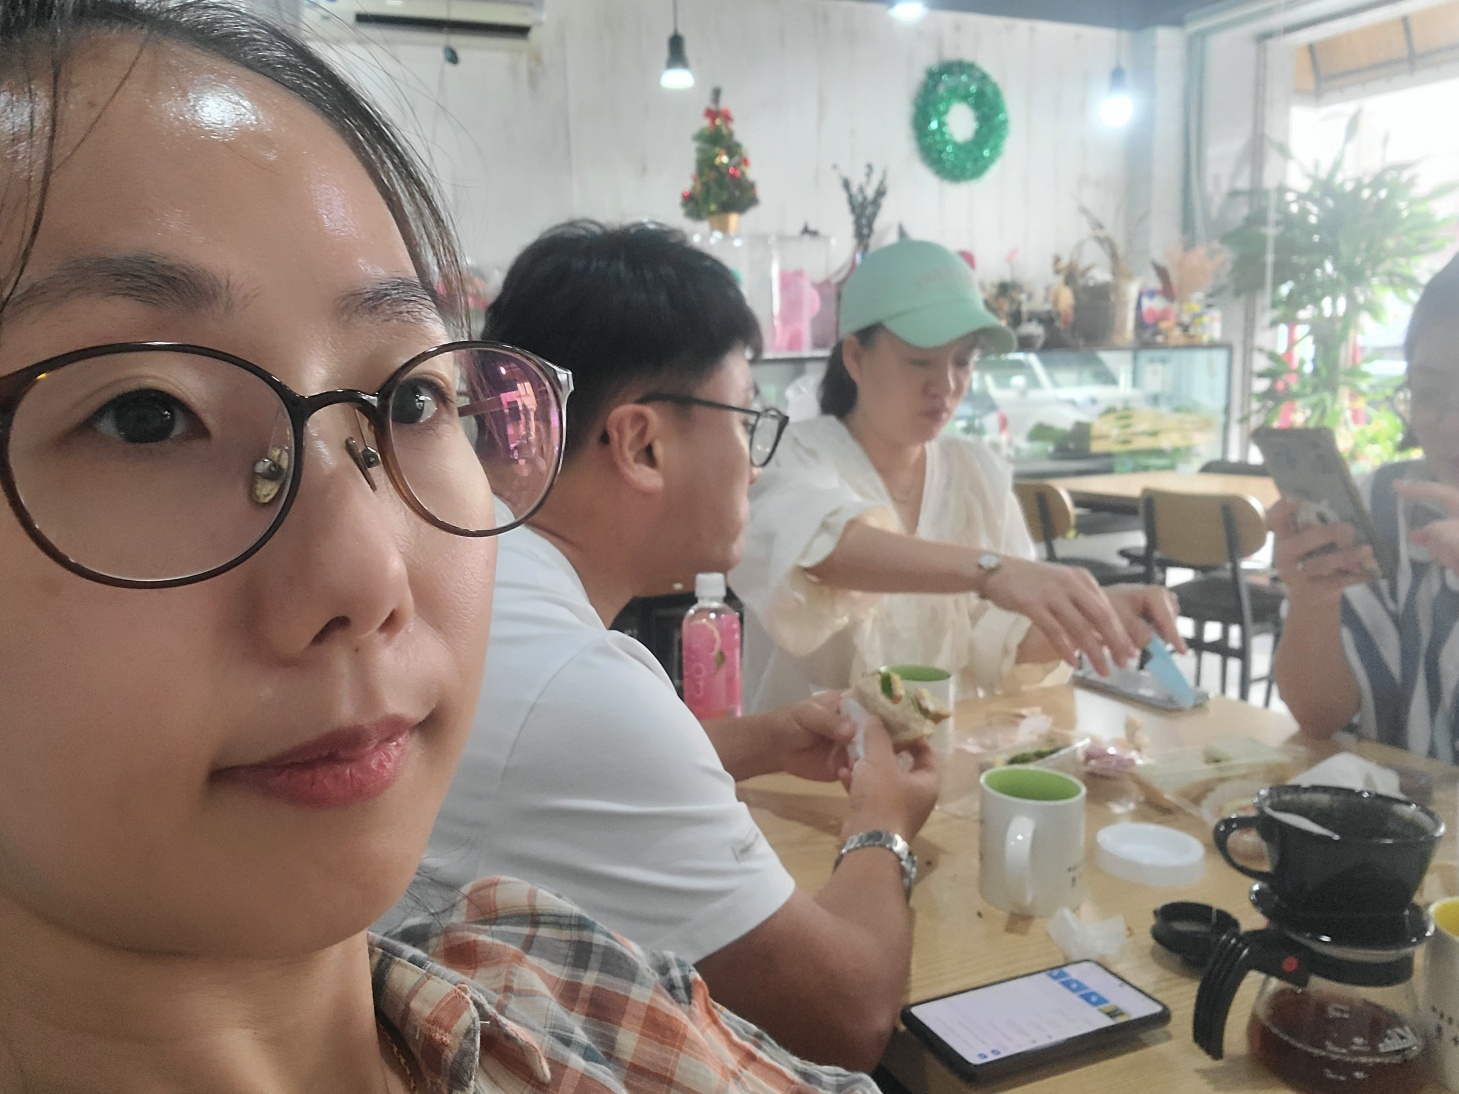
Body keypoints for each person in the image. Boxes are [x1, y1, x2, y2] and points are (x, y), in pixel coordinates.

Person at [0, 5, 878, 1093]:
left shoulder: (576, 986)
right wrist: (883, 829)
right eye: (145, 416)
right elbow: (848, 1007)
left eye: (411, 396)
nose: (370, 576)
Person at [399, 221, 939, 1072]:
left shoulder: (488, 570)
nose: (754, 467)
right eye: (747, 420)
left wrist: (763, 739)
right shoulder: (573, 680)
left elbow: (561, 774)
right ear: (641, 444)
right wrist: (883, 822)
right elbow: (849, 1013)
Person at [733, 239, 1183, 712]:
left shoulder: (976, 475)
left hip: (947, 749)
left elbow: (999, 640)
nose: (945, 385)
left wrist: (1091, 614)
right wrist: (992, 571)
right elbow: (822, 552)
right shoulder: (793, 456)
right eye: (919, 361)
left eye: (963, 361)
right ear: (856, 359)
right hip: (814, 754)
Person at [1271, 255, 1459, 759]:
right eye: (1429, 392)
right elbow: (1320, 716)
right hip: (1398, 805)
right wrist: (1313, 602)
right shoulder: (1386, 504)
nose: (1450, 423)